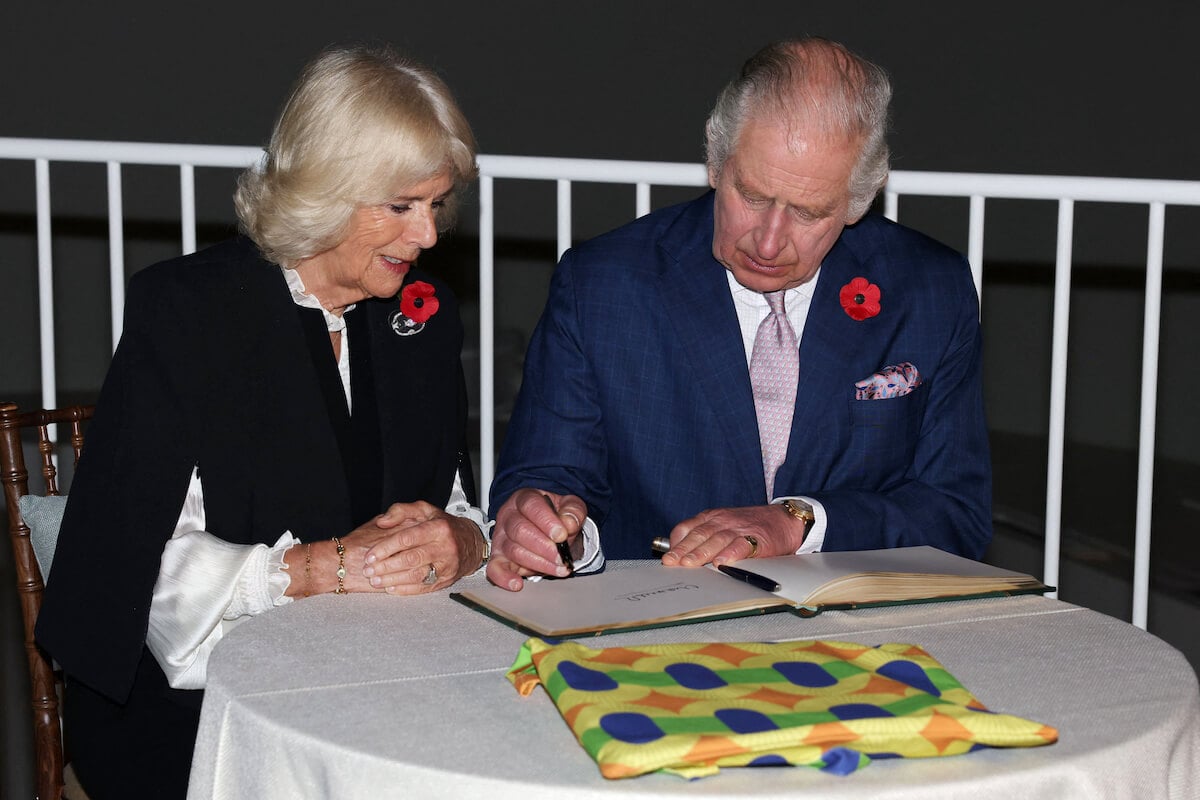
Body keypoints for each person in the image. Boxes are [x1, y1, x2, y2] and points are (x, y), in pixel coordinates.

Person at [36, 45, 485, 798]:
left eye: (436, 205)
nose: (429, 237)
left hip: (383, 688)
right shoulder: (187, 314)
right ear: (329, 190)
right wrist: (326, 567)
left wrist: (464, 541)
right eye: (402, 206)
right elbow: (146, 575)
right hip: (199, 711)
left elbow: (457, 502)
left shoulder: (418, 322)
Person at [487, 37, 991, 591]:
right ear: (713, 158)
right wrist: (548, 531)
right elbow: (548, 481)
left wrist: (800, 523)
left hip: (856, 627)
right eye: (750, 195)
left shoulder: (929, 289)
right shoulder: (604, 284)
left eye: (808, 212)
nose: (769, 242)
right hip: (653, 618)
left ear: (859, 200)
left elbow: (955, 518)